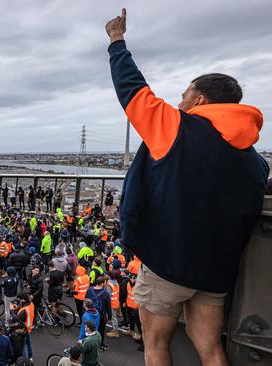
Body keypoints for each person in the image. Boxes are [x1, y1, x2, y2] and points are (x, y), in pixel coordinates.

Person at [106, 9, 268, 366]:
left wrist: (117, 41)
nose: (178, 103)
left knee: (156, 344)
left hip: (168, 263)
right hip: (216, 271)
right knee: (210, 349)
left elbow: (133, 92)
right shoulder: (254, 160)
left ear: (199, 100)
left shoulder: (178, 128)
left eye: (183, 96)